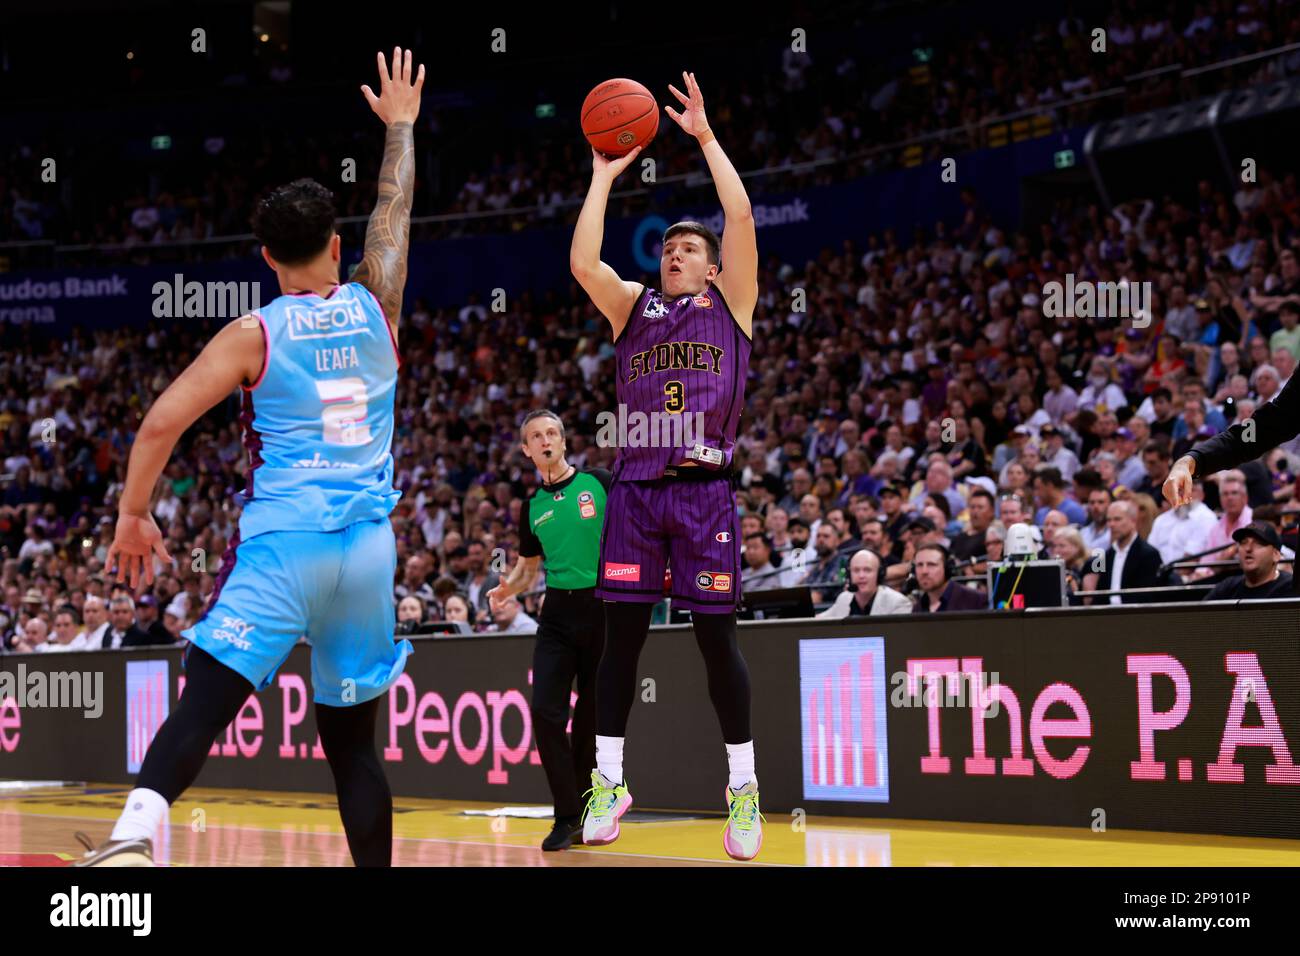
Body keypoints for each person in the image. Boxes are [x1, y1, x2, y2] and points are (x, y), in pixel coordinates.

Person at [76, 49, 424, 868]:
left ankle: (131, 846)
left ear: (265, 258)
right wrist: (402, 126)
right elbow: (394, 210)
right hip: (372, 551)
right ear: (338, 248)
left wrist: (133, 516)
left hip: (287, 542)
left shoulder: (252, 333)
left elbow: (159, 424)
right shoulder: (380, 303)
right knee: (353, 749)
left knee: (203, 706)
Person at [570, 71, 762, 859]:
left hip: (705, 496)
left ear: (712, 268)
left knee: (717, 643)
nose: (676, 255)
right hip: (636, 494)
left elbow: (741, 213)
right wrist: (603, 174)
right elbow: (584, 262)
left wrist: (707, 138)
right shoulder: (634, 308)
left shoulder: (732, 305)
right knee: (623, 645)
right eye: (671, 248)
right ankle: (609, 780)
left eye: (690, 250)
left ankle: (743, 791)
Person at [486, 410, 609, 852]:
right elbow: (527, 571)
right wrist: (507, 590)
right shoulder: (532, 507)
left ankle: (590, 810)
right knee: (545, 713)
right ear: (526, 449)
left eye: (552, 432)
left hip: (603, 609)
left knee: (592, 722)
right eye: (536, 436)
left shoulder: (599, 483)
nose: (545, 440)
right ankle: (564, 816)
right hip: (556, 614)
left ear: (562, 440)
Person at [1087, 500, 1166, 604]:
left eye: (1117, 519)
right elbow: (1098, 595)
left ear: (1133, 521)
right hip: (1107, 615)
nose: (1111, 524)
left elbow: (1148, 596)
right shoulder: (1105, 555)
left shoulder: (1149, 554)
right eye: (1109, 520)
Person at [1203, 522, 1294, 600]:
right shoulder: (1227, 588)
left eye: (1258, 543)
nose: (1248, 548)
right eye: (1243, 542)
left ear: (1276, 555)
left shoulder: (1291, 588)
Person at [816, 549, 913, 618]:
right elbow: (819, 620)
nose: (861, 575)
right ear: (849, 575)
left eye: (867, 570)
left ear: (879, 574)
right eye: (856, 570)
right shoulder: (844, 598)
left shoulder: (898, 603)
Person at [912, 543, 986, 613]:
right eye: (919, 565)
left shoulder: (975, 600)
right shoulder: (917, 609)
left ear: (948, 568)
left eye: (931, 565)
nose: (924, 571)